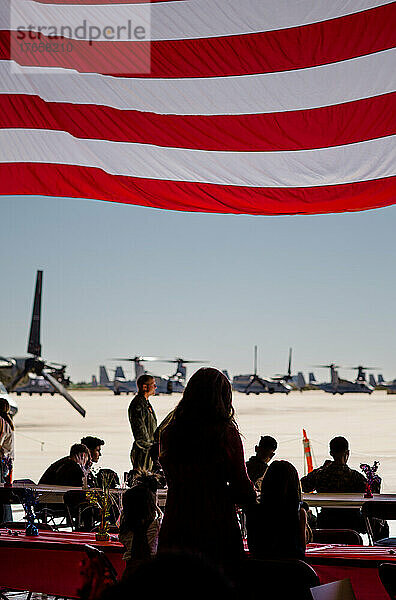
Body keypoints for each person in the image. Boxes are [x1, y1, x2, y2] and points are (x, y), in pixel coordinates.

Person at [158, 367, 256, 568]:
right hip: (216, 527)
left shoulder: (170, 433)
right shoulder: (225, 434)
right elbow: (242, 489)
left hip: (176, 524)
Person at [301, 436, 388, 539]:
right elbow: (372, 494)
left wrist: (321, 468)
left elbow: (304, 485)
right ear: (347, 453)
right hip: (353, 521)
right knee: (382, 525)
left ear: (331, 453)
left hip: (326, 521)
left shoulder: (321, 475)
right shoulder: (356, 477)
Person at [246, 460, 309, 560]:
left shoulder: (254, 512)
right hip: (292, 570)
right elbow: (301, 551)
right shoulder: (299, 514)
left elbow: (253, 548)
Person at [119, 469, 162, 577]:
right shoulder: (156, 526)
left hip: (129, 574)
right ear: (151, 506)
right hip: (151, 573)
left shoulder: (126, 530)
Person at [128, 375, 157, 470]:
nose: (155, 387)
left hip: (150, 451)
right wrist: (151, 447)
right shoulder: (138, 404)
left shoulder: (145, 403)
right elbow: (140, 432)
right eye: (153, 384)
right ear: (145, 387)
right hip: (143, 452)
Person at [0, 398, 15, 523]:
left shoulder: (1, 423)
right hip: (6, 462)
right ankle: (7, 520)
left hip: (2, 463)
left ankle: (4, 521)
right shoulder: (7, 422)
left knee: (2, 494)